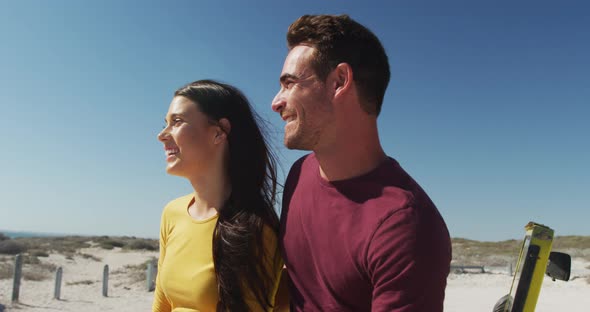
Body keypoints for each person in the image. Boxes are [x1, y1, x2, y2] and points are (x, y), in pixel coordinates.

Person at [271, 15, 452, 311]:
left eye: (290, 83)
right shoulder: (298, 174)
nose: (276, 101)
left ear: (339, 82)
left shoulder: (405, 226)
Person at [154, 80, 284, 312]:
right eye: (166, 123)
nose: (162, 135)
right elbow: (162, 304)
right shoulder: (172, 214)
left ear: (218, 133)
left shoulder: (255, 228)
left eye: (177, 122)